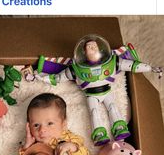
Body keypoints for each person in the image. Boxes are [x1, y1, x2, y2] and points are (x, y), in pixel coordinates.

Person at [32, 34, 163, 145]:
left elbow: (132, 65)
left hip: (107, 91)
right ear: (84, 52)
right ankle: (99, 133)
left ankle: (119, 126)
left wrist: (150, 68)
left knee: (113, 107)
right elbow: (58, 78)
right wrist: (40, 78)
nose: (91, 49)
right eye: (89, 48)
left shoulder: (113, 62)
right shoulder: (76, 69)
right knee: (94, 112)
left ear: (100, 49)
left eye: (94, 47)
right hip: (91, 95)